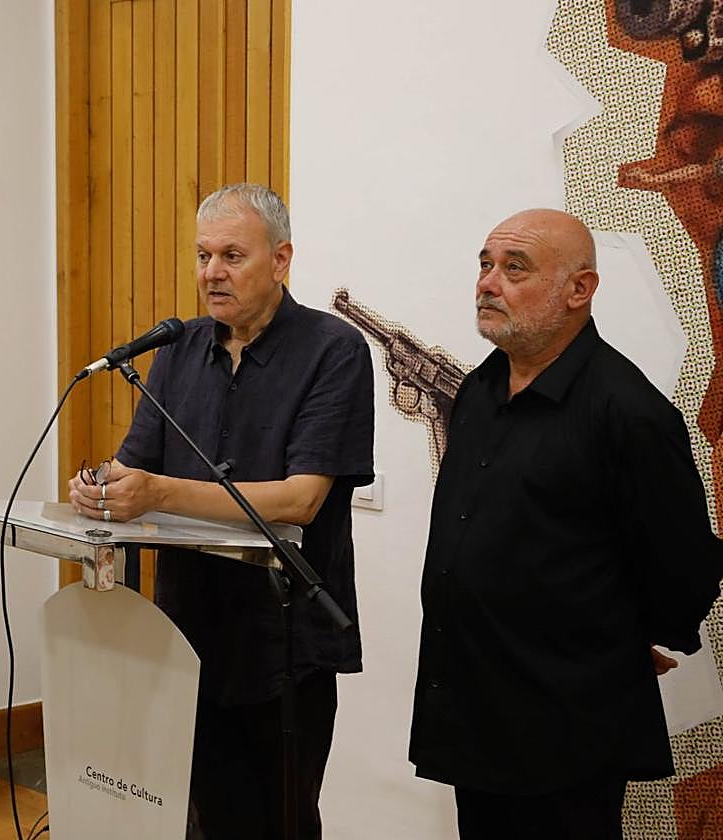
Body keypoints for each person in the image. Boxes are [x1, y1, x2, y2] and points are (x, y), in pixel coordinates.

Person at [68, 183, 375, 838]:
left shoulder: (333, 351)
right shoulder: (180, 348)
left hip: (283, 640)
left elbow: (301, 499)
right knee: (209, 815)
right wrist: (98, 486)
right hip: (190, 631)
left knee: (280, 822)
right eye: (203, 255)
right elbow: (133, 464)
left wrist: (155, 491)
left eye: (232, 255)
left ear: (281, 259)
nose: (211, 273)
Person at [409, 208, 723, 839]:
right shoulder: (479, 390)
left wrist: (635, 635)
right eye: (486, 264)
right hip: (474, 704)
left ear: (580, 290)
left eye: (514, 268)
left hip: (565, 725)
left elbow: (686, 564)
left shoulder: (628, 413)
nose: (488, 283)